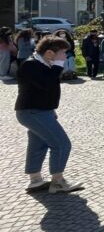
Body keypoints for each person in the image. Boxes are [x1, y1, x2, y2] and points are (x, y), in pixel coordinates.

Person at [14, 36, 83, 193]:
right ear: (50, 53)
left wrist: (51, 110)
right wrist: (58, 66)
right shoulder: (30, 64)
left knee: (38, 144)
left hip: (39, 111)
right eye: (63, 53)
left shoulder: (42, 63)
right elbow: (46, 84)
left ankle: (35, 180)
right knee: (61, 143)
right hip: (32, 112)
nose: (65, 57)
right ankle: (58, 182)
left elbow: (46, 89)